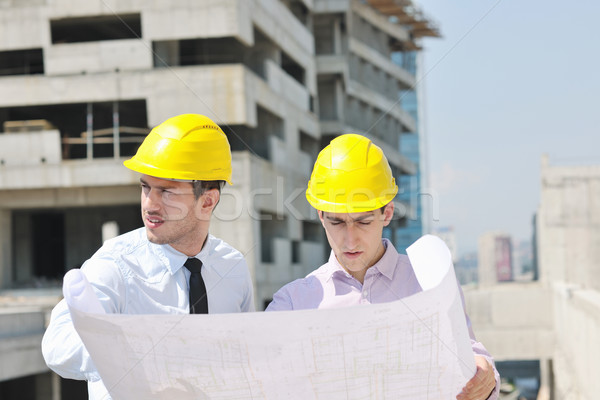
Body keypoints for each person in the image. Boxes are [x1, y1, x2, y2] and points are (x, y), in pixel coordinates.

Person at [266, 133, 499, 400]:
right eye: (337, 223)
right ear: (320, 215)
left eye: (363, 222)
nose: (349, 239)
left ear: (386, 213)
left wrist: (485, 375)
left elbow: (470, 354)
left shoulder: (429, 282)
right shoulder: (294, 303)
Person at [42, 114, 255, 399]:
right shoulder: (116, 265)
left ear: (207, 201)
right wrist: (133, 350)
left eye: (166, 191)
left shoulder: (233, 267)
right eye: (145, 187)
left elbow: (245, 358)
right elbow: (57, 346)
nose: (150, 204)